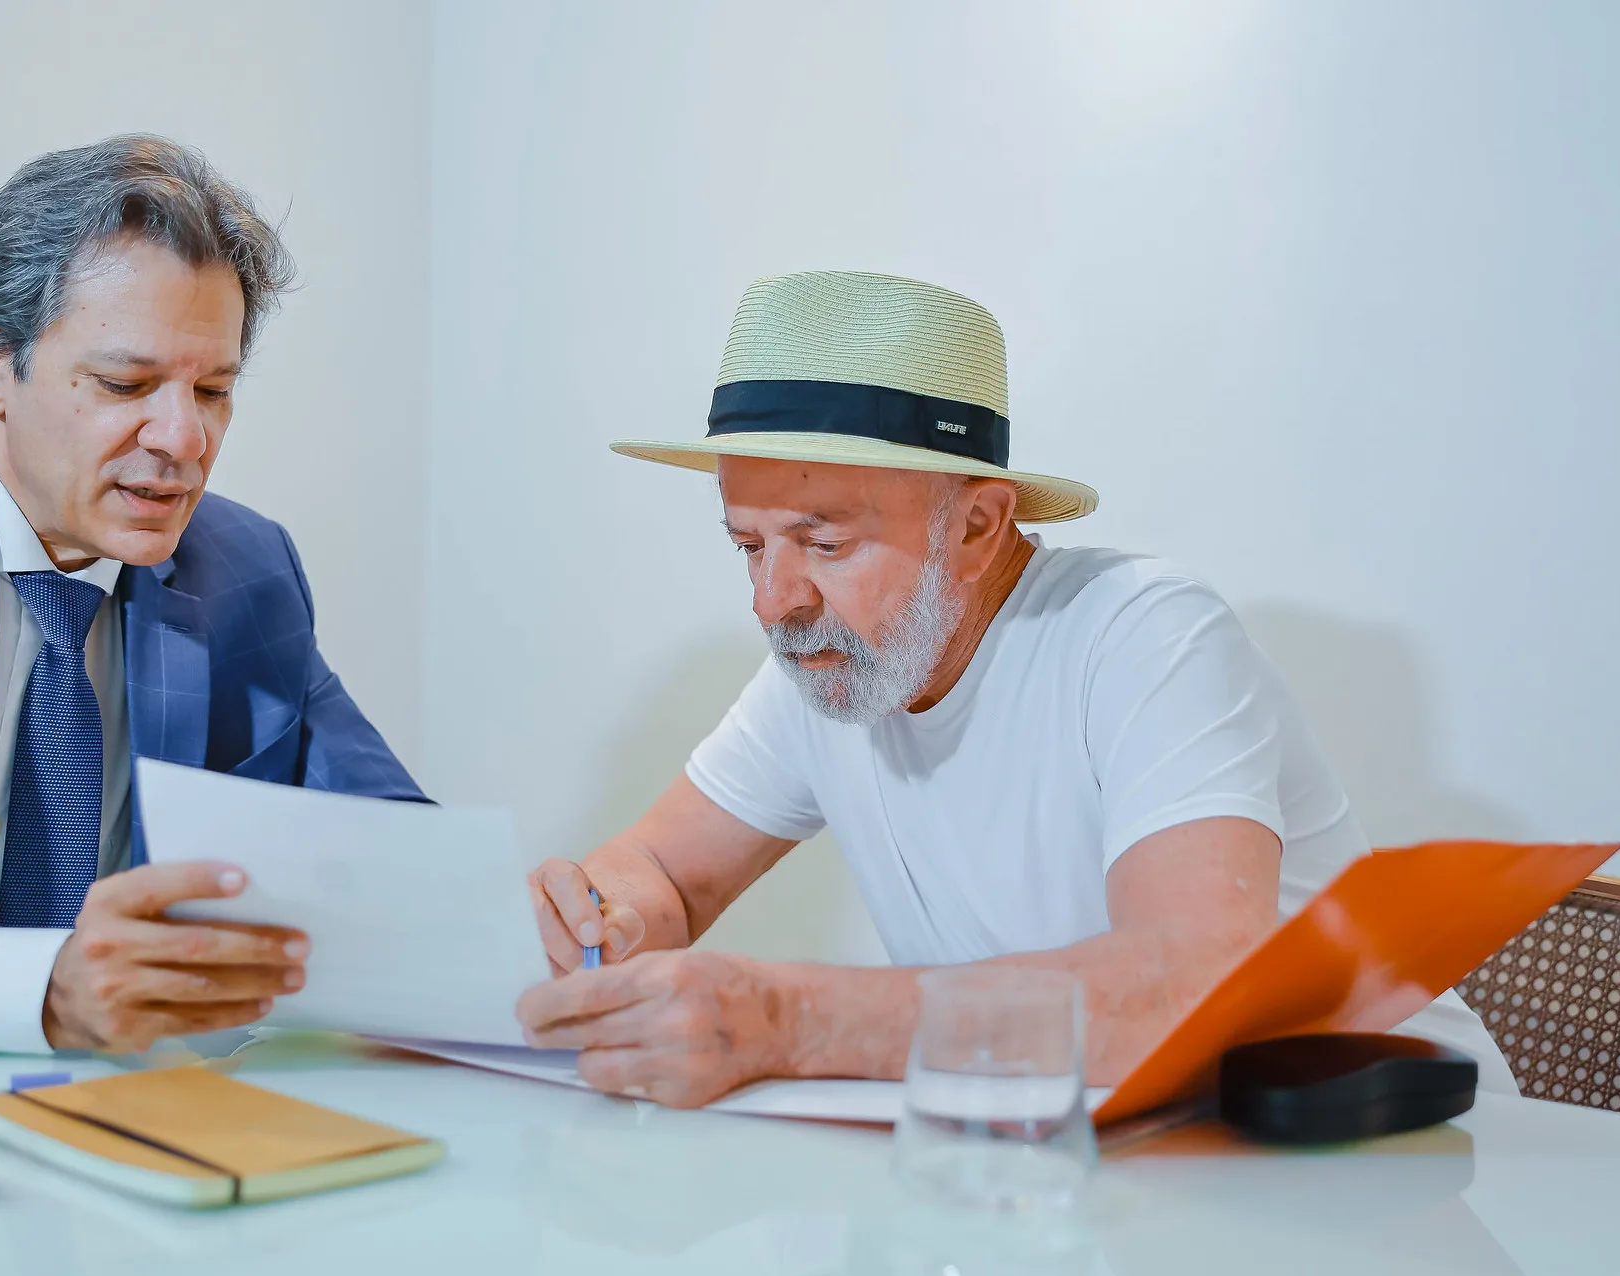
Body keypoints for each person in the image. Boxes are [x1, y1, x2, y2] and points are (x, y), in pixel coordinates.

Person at [516, 270, 1513, 1108]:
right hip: (1121, 1187)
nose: (774, 601)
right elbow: (666, 873)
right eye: (748, 545)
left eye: (824, 542)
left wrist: (790, 1019)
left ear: (981, 525)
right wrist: (606, 925)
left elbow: (1193, 984)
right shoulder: (829, 664)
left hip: (1395, 1170)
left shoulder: (1142, 636)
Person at [0, 135, 424, 1058]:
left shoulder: (245, 570)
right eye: (123, 383)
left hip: (114, 1127)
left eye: (214, 388)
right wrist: (32, 990)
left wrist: (563, 941)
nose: (184, 437)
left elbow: (403, 870)